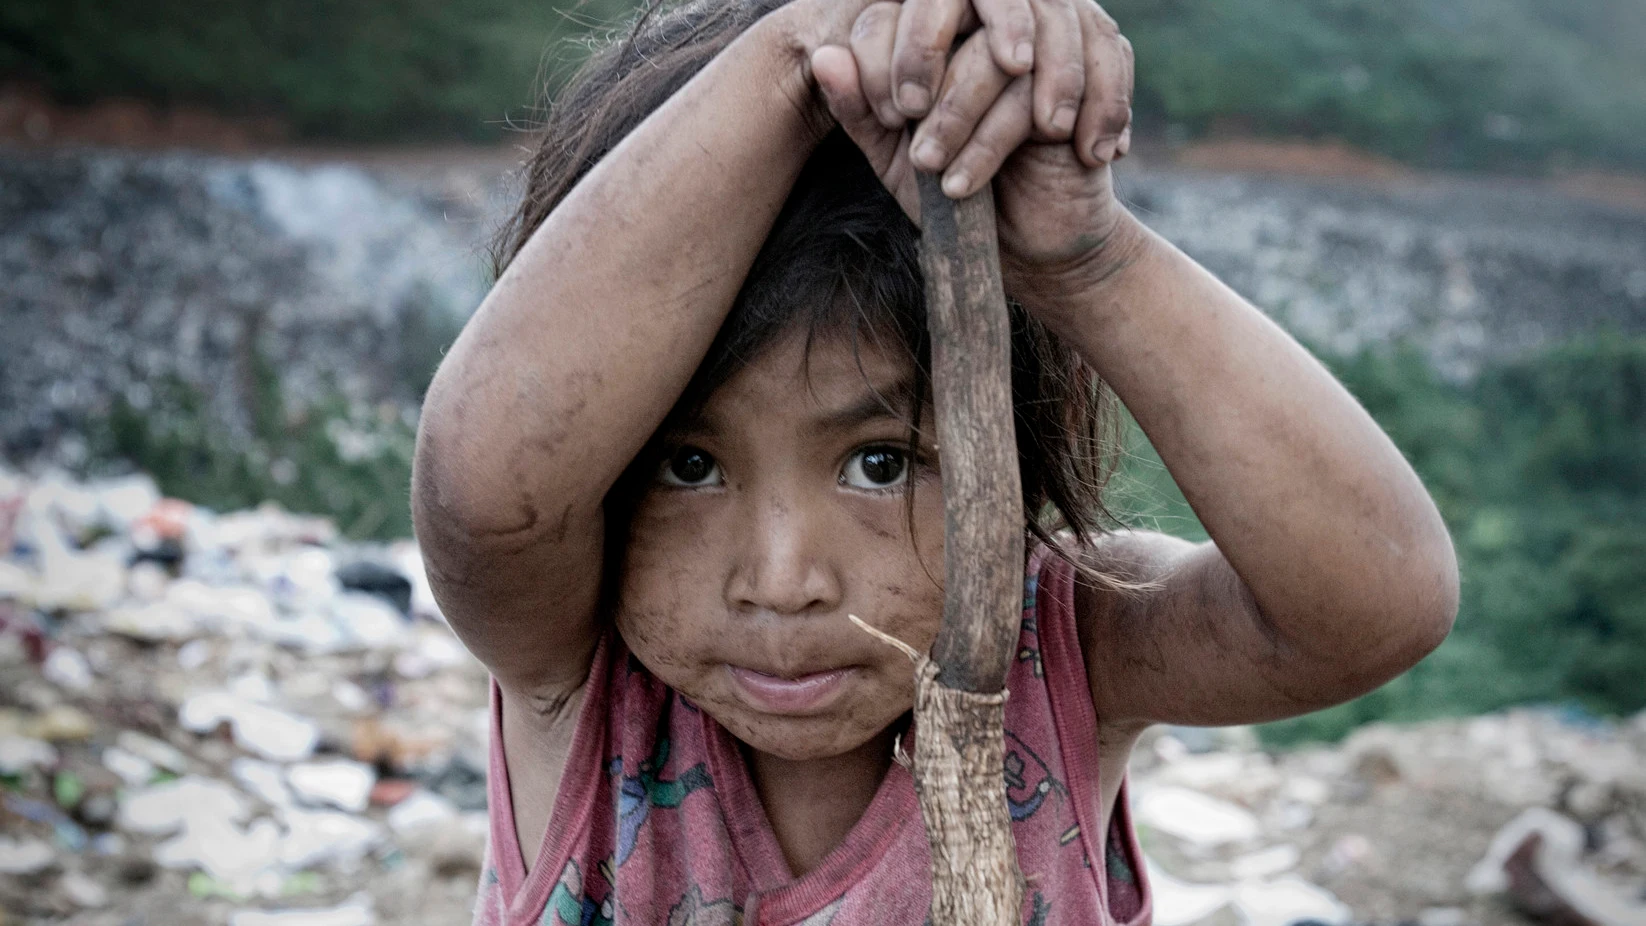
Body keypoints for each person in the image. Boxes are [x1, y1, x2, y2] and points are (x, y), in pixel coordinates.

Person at [411, 0, 1460, 920]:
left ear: (1010, 453)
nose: (782, 581)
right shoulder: (572, 664)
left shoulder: (1064, 649)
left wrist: (1084, 262)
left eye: (877, 463)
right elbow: (482, 487)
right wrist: (797, 50)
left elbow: (1376, 597)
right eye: (686, 466)